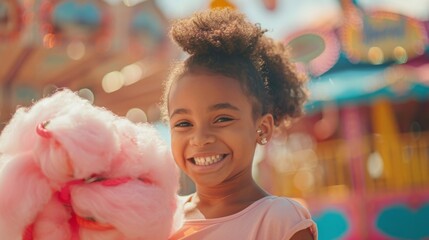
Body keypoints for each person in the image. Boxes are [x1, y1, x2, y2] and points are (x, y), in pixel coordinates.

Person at [162, 8, 317, 240]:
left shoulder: (279, 220)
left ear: (262, 129)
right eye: (184, 123)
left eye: (222, 119)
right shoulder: (160, 217)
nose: (200, 137)